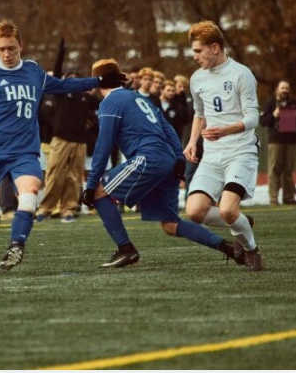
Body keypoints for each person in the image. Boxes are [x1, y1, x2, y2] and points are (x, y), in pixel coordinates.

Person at [0, 19, 126, 271]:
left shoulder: (32, 71)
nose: (7, 54)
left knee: (30, 192)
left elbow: (62, 86)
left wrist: (98, 82)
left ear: (21, 45)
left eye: (12, 48)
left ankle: (16, 245)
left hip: (24, 151)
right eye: (2, 49)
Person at [82, 58, 245, 269]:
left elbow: (103, 146)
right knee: (170, 224)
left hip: (147, 158)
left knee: (97, 193)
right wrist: (178, 158)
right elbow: (167, 128)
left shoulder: (110, 102)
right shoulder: (140, 98)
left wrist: (91, 183)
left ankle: (126, 249)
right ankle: (228, 247)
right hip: (166, 158)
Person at [183, 20, 262, 271]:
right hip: (212, 155)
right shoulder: (197, 79)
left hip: (241, 151)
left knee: (227, 209)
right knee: (194, 212)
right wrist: (193, 141)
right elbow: (199, 113)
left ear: (215, 47)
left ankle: (251, 251)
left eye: (198, 51)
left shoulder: (241, 74)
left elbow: (253, 118)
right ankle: (242, 222)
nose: (194, 56)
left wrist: (225, 130)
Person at [36, 70, 98, 223]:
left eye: (76, 79)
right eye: (70, 79)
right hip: (61, 140)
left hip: (80, 141)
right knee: (54, 174)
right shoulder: (60, 94)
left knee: (74, 177)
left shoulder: (85, 97)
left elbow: (97, 111)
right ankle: (45, 209)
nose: (73, 82)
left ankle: (67, 210)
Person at [260, 80, 296, 205]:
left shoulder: (293, 103)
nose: (285, 90)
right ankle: (273, 198)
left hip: (291, 141)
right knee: (274, 169)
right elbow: (263, 121)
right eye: (282, 88)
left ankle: (289, 197)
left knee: (288, 170)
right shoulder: (270, 103)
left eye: (287, 88)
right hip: (275, 141)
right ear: (277, 90)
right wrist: (273, 115)